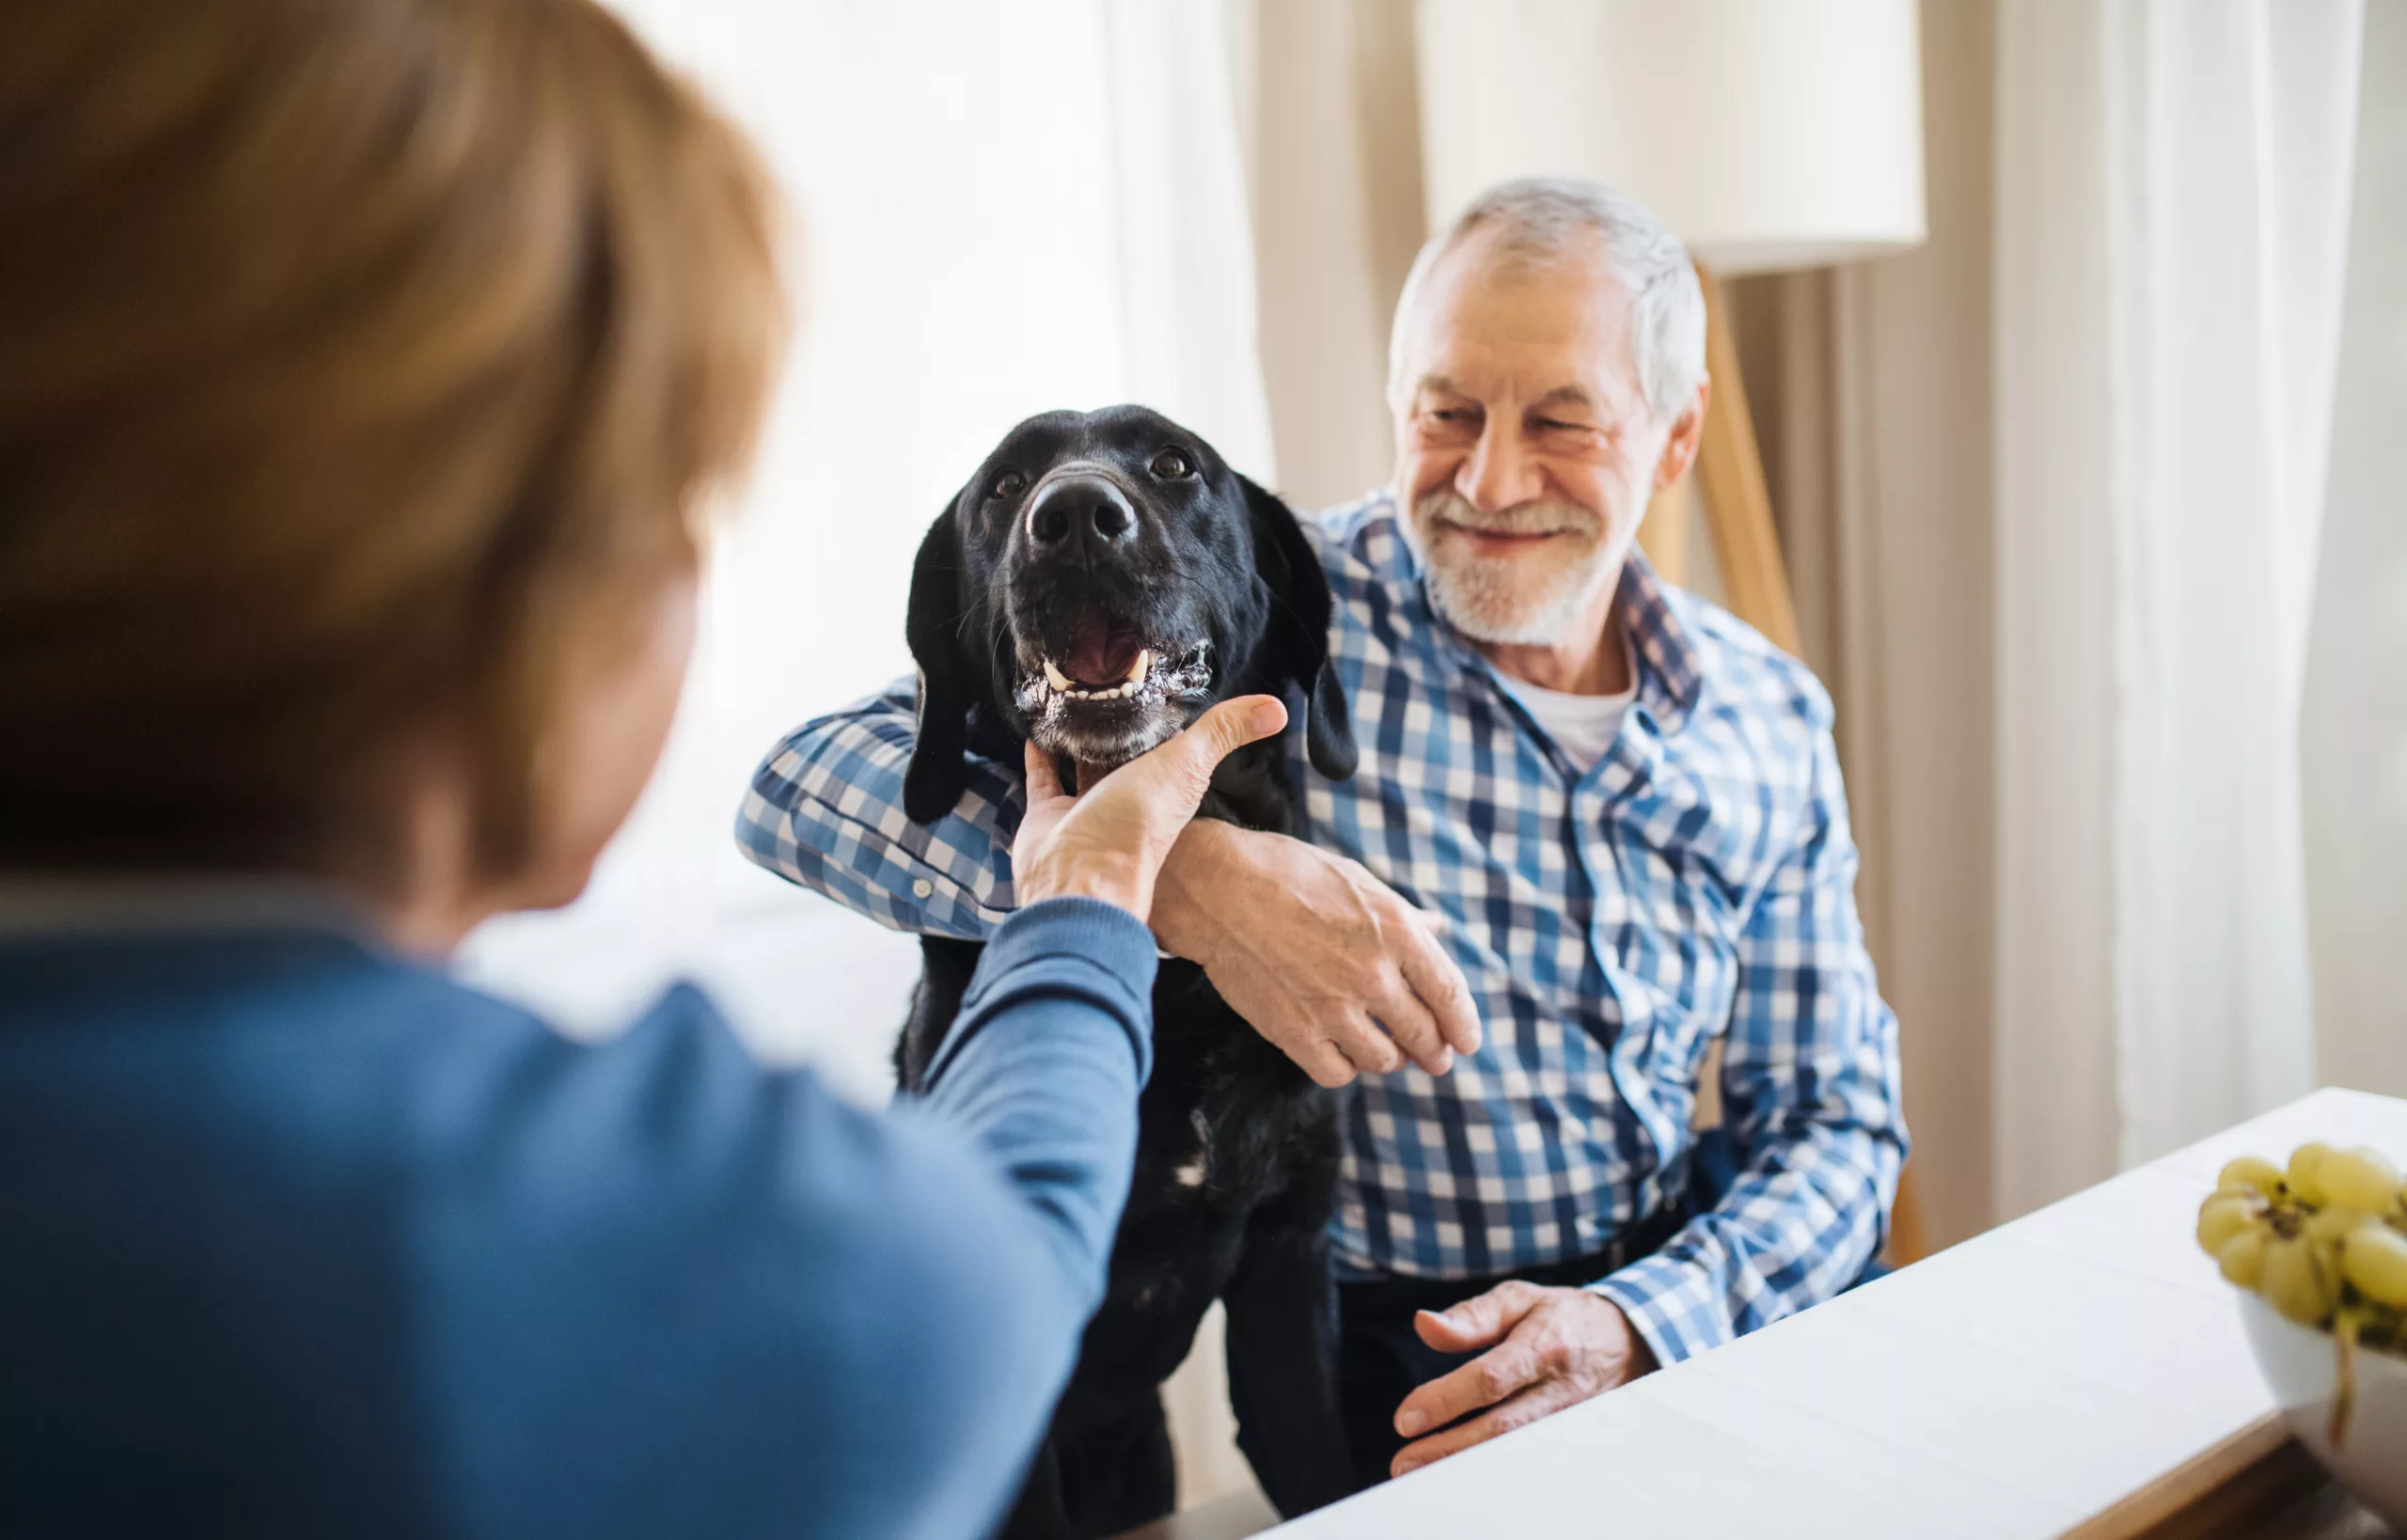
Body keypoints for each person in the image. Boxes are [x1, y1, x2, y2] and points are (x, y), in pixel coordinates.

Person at [0, 2, 1286, 1536]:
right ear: (531, 586)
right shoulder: (623, 1239)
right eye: (671, 495)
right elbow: (985, 1278)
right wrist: (1086, 904)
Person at [741, 178, 1911, 1489]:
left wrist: (1651, 1321)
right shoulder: (1273, 599)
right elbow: (798, 786)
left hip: (1675, 1315)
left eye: (1562, 421)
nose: (1491, 479)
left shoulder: (1768, 714)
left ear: (1677, 432)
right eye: (1448, 413)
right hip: (1386, 1357)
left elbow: (1835, 1119)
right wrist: (1184, 877)